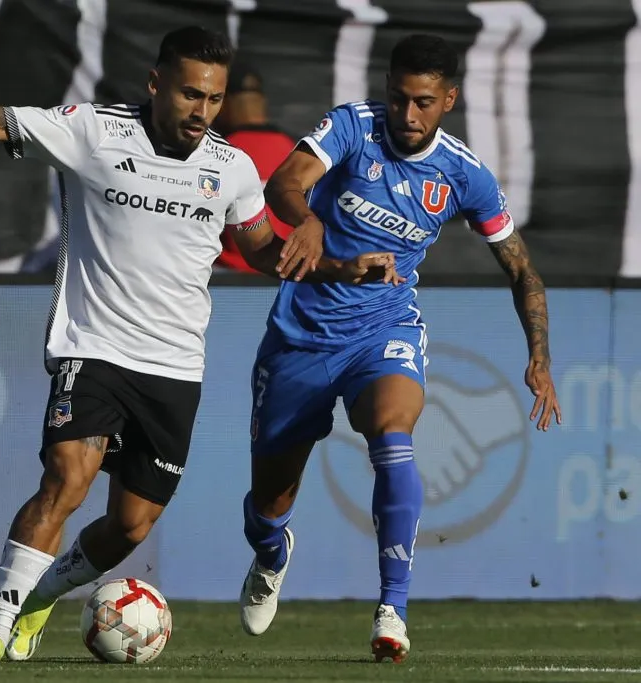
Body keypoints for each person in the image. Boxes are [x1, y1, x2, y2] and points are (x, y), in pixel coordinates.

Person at [0, 25, 401, 666]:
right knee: (67, 479)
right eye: (188, 94)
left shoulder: (231, 166)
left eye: (212, 98)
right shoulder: (93, 131)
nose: (201, 110)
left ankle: (41, 596)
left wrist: (339, 268)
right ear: (156, 83)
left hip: (175, 366)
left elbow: (263, 246)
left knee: (131, 525)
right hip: (93, 345)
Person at [239, 34, 562, 663]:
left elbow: (521, 269)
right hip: (301, 335)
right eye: (397, 99)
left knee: (393, 434)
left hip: (384, 329)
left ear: (448, 100)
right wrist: (306, 217)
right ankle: (271, 551)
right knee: (270, 500)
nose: (407, 117)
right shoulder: (352, 128)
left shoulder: (466, 175)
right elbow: (286, 182)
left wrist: (540, 358)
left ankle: (393, 609)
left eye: (422, 103)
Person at [213, 63, 295, 273]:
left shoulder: (217, 151)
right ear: (261, 102)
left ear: (223, 103)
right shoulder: (296, 152)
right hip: (285, 278)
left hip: (229, 280)